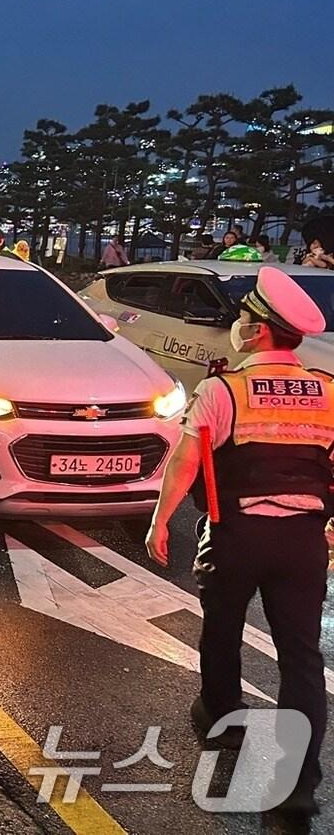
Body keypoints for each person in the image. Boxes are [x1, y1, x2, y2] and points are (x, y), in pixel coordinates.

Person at [146, 267, 334, 818]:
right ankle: (299, 783)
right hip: (303, 542)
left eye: (243, 319)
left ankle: (221, 714)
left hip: (238, 535)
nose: (237, 326)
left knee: (223, 624)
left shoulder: (223, 388)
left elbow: (184, 461)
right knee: (301, 658)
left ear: (256, 332)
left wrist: (160, 521)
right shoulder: (327, 389)